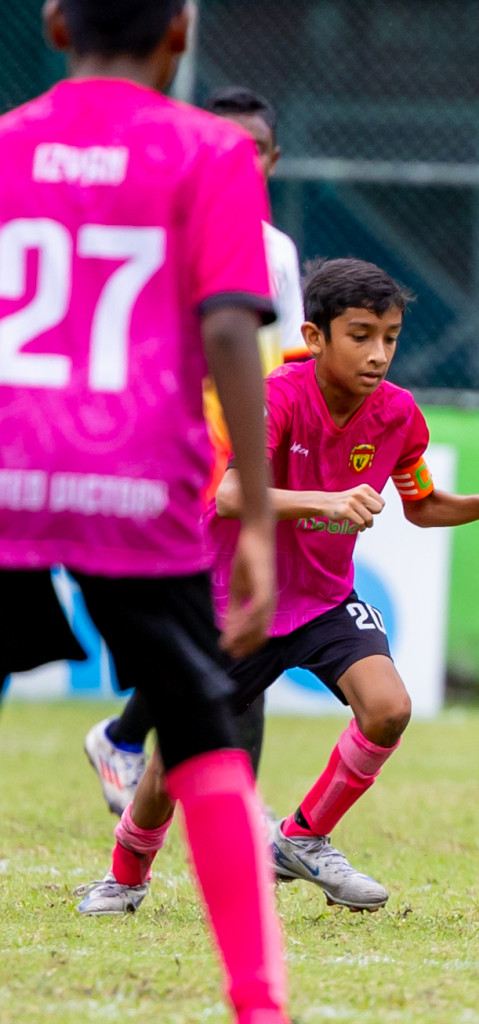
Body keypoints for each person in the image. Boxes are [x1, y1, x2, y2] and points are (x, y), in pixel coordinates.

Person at [74, 258, 479, 916]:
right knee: (170, 767)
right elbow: (234, 493)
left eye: (391, 336)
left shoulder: (400, 416)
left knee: (388, 707)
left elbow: (422, 504)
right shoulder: (278, 395)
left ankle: (301, 838)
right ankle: (125, 876)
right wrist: (324, 501)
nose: (379, 353)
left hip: (324, 600)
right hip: (239, 603)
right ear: (315, 336)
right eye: (361, 335)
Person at [0, 2, 289, 1020]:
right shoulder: (208, 152)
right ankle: (259, 1002)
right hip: (134, 480)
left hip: (6, 471)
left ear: (52, 26)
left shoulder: (5, 148)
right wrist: (255, 511)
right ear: (180, 32)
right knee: (203, 730)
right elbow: (225, 333)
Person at [83, 85, 308, 816]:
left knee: (242, 626)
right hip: (172, 453)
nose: (234, 161)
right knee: (218, 625)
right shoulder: (158, 227)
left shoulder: (276, 252)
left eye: (251, 150)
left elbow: (288, 361)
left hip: (239, 455)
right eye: (220, 144)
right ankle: (133, 744)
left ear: (273, 161)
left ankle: (143, 749)